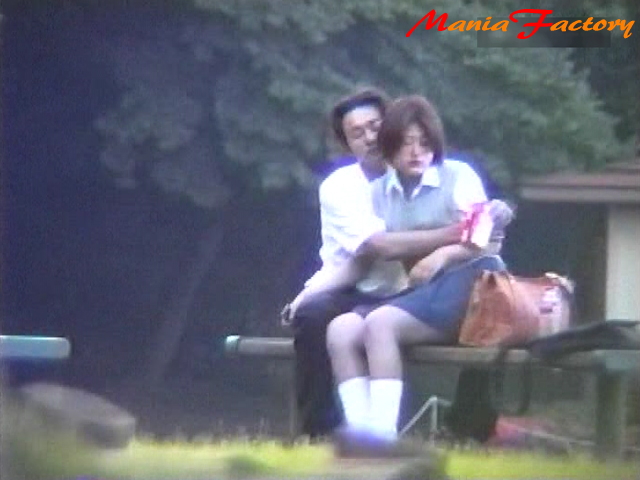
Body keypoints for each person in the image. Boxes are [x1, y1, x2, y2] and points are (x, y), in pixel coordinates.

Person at [315, 95, 509, 444]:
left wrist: (441, 256)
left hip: (473, 287)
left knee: (380, 324)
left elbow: (487, 241)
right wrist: (310, 294)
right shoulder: (379, 192)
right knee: (341, 329)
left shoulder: (458, 175)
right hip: (421, 292)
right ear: (389, 148)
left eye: (424, 142)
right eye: (406, 143)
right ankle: (362, 437)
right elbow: (368, 255)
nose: (417, 152)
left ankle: (382, 439)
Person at [287, 88, 469, 438]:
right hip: (355, 286)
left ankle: (463, 427)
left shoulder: (422, 169)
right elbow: (374, 251)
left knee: (474, 306)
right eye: (357, 133)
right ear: (346, 144)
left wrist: (467, 236)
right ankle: (321, 430)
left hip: (415, 288)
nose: (370, 138)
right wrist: (453, 233)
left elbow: (481, 227)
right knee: (314, 317)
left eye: (375, 126)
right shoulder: (340, 187)